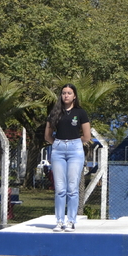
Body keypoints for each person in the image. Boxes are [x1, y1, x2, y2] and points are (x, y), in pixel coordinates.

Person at [44, 83, 92, 232]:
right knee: (60, 188)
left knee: (72, 188)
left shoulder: (80, 113)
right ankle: (59, 221)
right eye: (64, 93)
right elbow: (47, 135)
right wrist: (58, 144)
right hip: (58, 150)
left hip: (75, 150)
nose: (66, 95)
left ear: (74, 96)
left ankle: (71, 220)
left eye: (69, 93)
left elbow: (86, 135)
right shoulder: (55, 112)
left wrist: (74, 144)